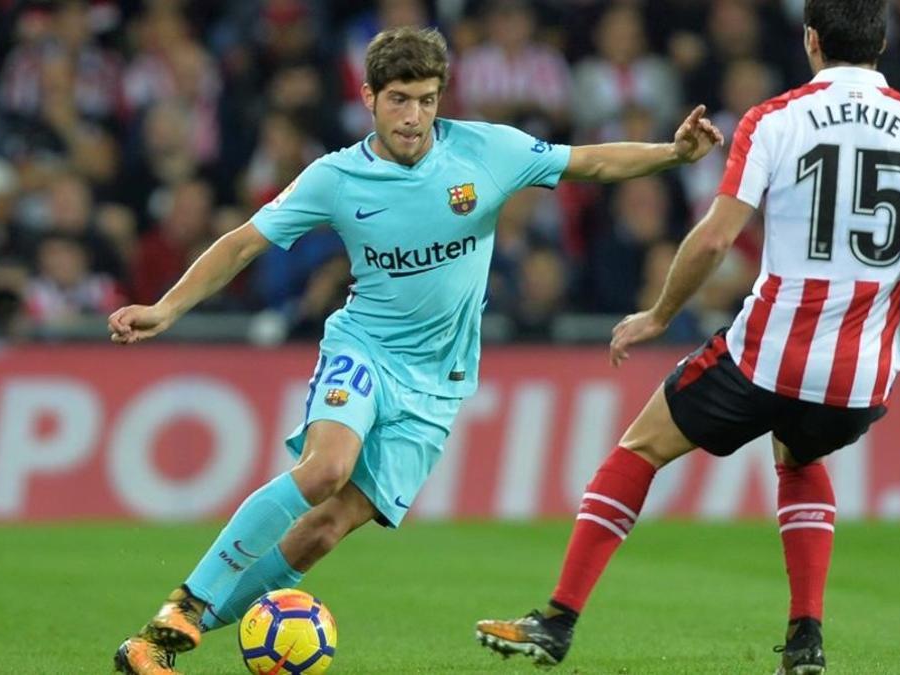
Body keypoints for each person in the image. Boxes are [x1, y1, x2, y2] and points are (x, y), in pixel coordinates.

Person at [108, 26, 723, 675]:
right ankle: (187, 599)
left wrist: (673, 154)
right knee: (324, 471)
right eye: (400, 99)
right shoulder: (337, 176)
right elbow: (242, 242)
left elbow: (590, 161)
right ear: (369, 97)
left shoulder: (486, 151)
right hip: (364, 349)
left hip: (439, 381)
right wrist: (167, 306)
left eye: (427, 99)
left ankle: (157, 642)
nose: (414, 116)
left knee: (323, 529)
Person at [473, 2, 900, 674]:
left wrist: (659, 314)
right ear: (883, 41)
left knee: (639, 447)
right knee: (802, 455)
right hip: (858, 377)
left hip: (764, 356)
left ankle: (556, 619)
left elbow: (719, 235)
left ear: (811, 40)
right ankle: (806, 638)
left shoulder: (774, 119)